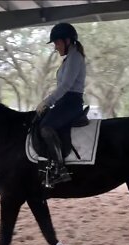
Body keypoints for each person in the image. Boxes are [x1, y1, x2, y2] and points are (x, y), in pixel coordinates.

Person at [36, 22, 86, 184]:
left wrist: (47, 101)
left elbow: (65, 85)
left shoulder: (75, 57)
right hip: (65, 101)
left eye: (57, 43)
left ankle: (59, 169)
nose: (55, 47)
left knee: (46, 128)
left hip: (71, 102)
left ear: (67, 40)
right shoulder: (69, 58)